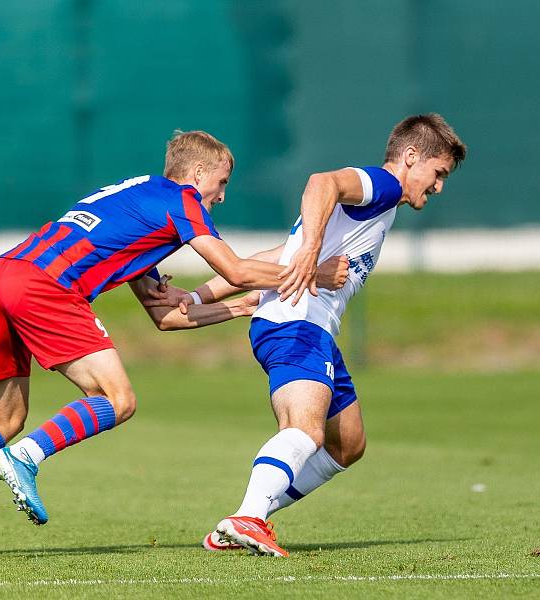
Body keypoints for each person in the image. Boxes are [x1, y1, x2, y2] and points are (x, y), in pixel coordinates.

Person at [0, 130, 348, 557]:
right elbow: (235, 269)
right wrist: (314, 274)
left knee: (5, 416)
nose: (222, 195)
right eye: (221, 182)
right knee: (118, 399)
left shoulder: (135, 200)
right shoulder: (183, 201)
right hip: (45, 286)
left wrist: (244, 308)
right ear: (196, 175)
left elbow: (166, 316)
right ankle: (26, 456)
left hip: (1, 276)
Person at [162, 114, 467, 556]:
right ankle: (248, 515)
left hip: (313, 327)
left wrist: (194, 296)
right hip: (296, 323)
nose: (438, 186)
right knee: (304, 430)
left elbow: (276, 256)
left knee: (348, 443)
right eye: (438, 173)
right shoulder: (382, 185)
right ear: (411, 156)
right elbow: (321, 182)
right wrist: (309, 255)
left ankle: (247, 517)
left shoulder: (378, 208)